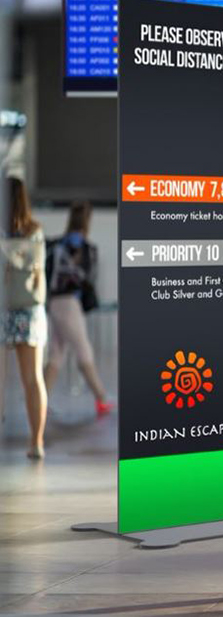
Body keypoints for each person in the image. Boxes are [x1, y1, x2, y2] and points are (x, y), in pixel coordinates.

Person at [44, 200, 111, 416]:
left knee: (56, 353)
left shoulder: (55, 245)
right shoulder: (83, 247)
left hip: (54, 302)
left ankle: (39, 400)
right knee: (83, 351)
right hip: (69, 303)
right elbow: (87, 278)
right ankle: (101, 398)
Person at [1, 177, 48, 459]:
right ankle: (36, 442)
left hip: (5, 307)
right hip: (31, 310)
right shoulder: (35, 231)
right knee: (33, 379)